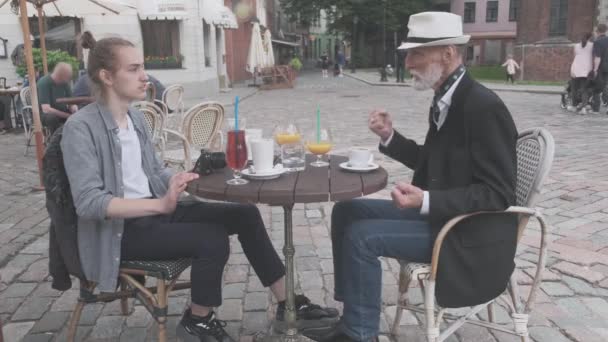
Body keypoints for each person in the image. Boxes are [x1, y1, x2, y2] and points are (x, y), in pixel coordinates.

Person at [60, 37, 338, 342]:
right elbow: (89, 203)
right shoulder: (81, 128)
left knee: (245, 213)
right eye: (134, 68)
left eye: (143, 67)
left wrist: (181, 179)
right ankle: (198, 319)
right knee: (211, 238)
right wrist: (160, 205)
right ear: (106, 76)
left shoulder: (135, 118)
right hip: (120, 232)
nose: (145, 76)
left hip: (156, 212)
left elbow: (153, 171)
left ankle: (289, 303)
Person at [317, 12, 518, 342]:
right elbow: (433, 161)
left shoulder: (482, 107)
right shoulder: (446, 99)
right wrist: (390, 136)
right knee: (346, 210)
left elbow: (498, 193)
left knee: (361, 237)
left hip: (465, 233)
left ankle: (358, 335)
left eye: (416, 54)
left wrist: (426, 200)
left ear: (448, 54)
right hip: (444, 217)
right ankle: (352, 311)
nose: (407, 62)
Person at [37, 62, 77, 134]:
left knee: (81, 112)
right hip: (46, 114)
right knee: (52, 118)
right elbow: (46, 109)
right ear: (60, 76)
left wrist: (74, 108)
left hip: (62, 111)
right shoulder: (44, 82)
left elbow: (71, 101)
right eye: (67, 78)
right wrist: (68, 116)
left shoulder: (64, 83)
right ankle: (55, 140)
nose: (68, 80)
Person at [569, 33, 594, 113]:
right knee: (584, 90)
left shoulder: (576, 46)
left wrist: (571, 70)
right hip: (586, 70)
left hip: (575, 69)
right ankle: (583, 108)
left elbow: (574, 58)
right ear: (590, 38)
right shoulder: (592, 45)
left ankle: (574, 106)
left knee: (574, 89)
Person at [591, 24, 608, 114]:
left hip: (601, 67)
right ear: (606, 30)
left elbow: (598, 57)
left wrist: (595, 70)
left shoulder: (598, 42)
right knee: (604, 86)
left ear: (597, 31)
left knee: (596, 88)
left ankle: (595, 109)